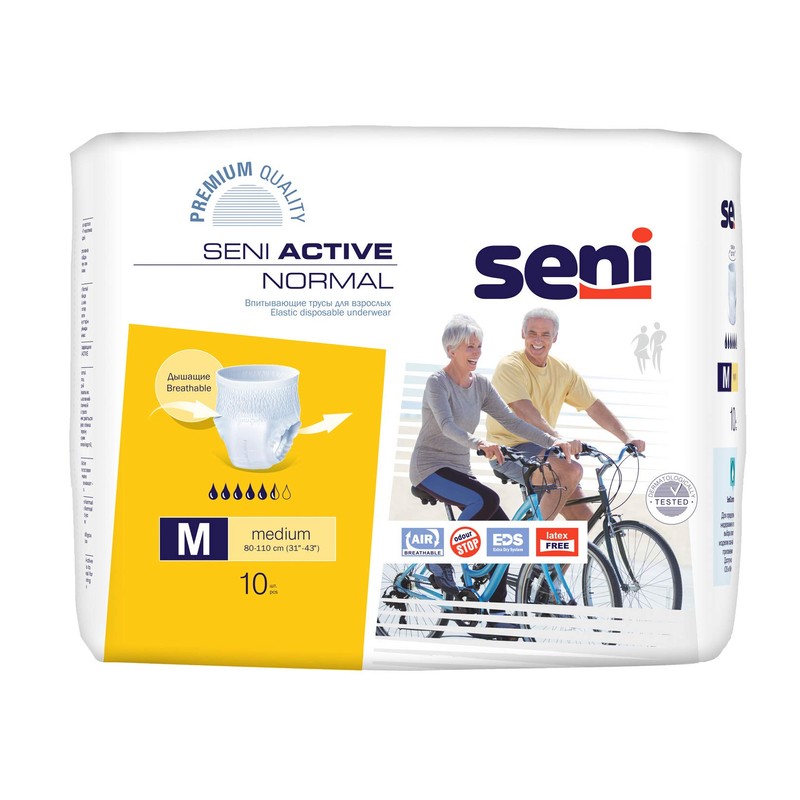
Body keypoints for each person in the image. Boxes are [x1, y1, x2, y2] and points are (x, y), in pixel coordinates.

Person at [409, 314, 577, 624]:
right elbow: (446, 425)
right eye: (469, 347)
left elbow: (512, 421)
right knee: (486, 499)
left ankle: (496, 614)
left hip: (459, 469)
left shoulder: (481, 385)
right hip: (430, 467)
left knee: (502, 536)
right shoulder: (437, 382)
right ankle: (439, 556)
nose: (476, 352)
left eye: (479, 347)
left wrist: (553, 441)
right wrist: (480, 443)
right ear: (451, 350)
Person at [487, 308, 646, 521]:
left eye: (545, 334)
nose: (538, 340)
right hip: (508, 449)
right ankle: (532, 537)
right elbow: (524, 410)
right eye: (532, 333)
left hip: (544, 447)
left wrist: (627, 437)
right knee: (570, 471)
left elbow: (593, 406)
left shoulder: (562, 371)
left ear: (555, 337)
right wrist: (558, 438)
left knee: (583, 519)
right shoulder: (510, 366)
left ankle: (554, 538)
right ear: (523, 333)